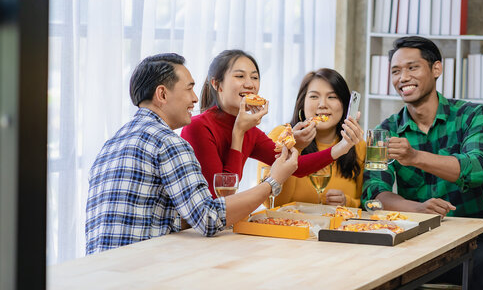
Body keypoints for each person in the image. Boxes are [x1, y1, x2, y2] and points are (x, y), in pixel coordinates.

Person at [85, 53, 299, 254]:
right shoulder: (167, 142)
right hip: (142, 272)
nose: (196, 98)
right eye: (189, 89)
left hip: (103, 271)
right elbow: (209, 219)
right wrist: (273, 182)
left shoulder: (111, 144)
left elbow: (153, 215)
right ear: (162, 94)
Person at [362, 36, 483, 289]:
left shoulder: (472, 116)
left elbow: (476, 170)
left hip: (473, 242)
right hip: (413, 241)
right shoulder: (385, 132)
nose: (403, 78)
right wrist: (417, 208)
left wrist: (415, 157)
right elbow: (373, 195)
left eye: (412, 68)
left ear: (436, 69)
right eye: (396, 71)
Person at [181, 50, 363, 198]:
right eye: (239, 76)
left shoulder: (250, 131)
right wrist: (238, 133)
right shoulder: (198, 127)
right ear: (217, 84)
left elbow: (298, 167)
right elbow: (222, 196)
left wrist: (342, 147)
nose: (249, 84)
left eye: (254, 77)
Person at [259, 68, 366, 207]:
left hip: (336, 227)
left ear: (345, 105)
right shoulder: (281, 137)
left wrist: (349, 202)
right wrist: (293, 148)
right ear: (302, 103)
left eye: (332, 97)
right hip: (291, 226)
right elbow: (271, 203)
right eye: (314, 97)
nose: (322, 105)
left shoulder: (357, 145)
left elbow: (366, 204)